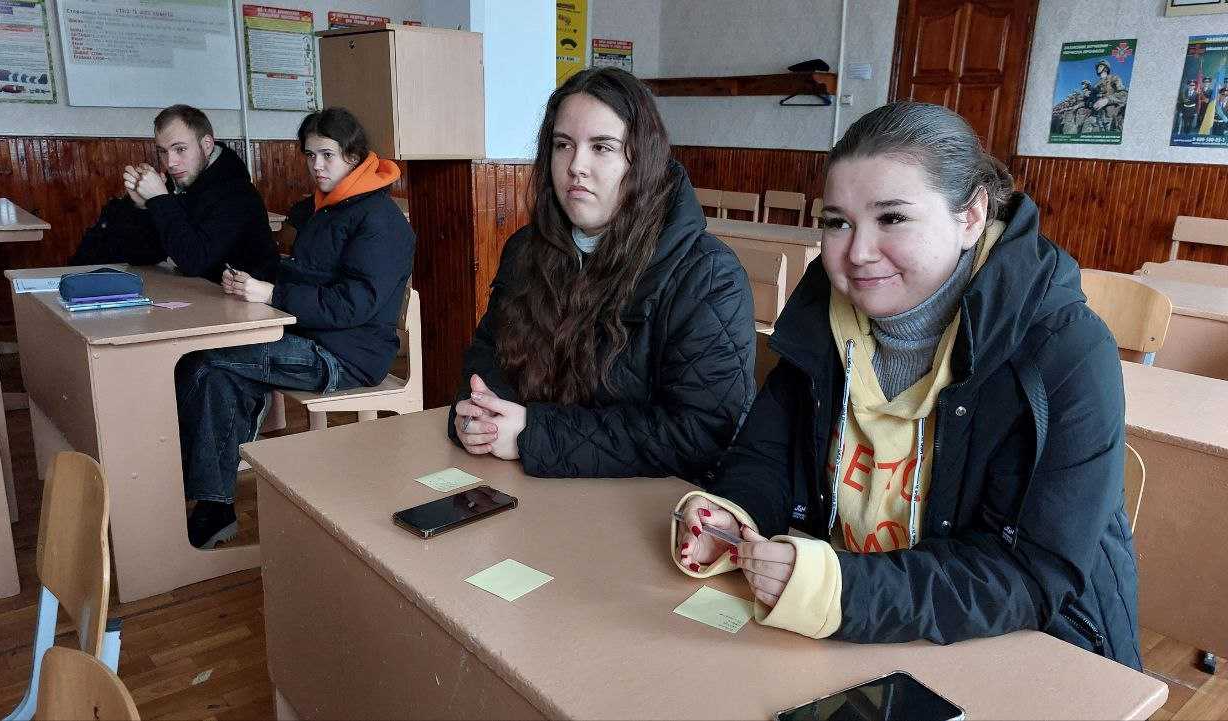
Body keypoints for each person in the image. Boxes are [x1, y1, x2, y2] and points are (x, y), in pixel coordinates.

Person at [672, 101, 1140, 670]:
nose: (857, 252)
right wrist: (735, 515)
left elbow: (1028, 576)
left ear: (971, 217)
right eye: (837, 222)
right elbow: (767, 453)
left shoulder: (1065, 348)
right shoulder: (823, 307)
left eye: (892, 218)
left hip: (1028, 653)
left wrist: (842, 590)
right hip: (852, 638)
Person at [448, 67, 756, 482]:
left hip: (650, 501)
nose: (576, 165)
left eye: (602, 147)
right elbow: (488, 355)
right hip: (527, 482)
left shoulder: (707, 274)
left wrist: (533, 435)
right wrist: (479, 412)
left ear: (642, 160)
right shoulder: (525, 250)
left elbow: (698, 433)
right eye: (563, 145)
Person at [178, 107, 413, 548]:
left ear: (354, 156)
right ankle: (214, 504)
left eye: (327, 155)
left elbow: (353, 304)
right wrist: (251, 281)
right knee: (214, 369)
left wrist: (272, 294)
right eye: (309, 155)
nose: (316, 166)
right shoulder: (322, 208)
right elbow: (306, 275)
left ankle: (202, 491)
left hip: (347, 356)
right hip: (307, 336)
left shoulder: (379, 220)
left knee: (205, 359)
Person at [70, 104, 278, 282]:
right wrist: (142, 207)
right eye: (163, 151)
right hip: (196, 296)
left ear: (206, 145)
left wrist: (161, 200)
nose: (170, 163)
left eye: (180, 149)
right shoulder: (178, 183)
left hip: (248, 307)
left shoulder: (237, 193)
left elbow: (195, 262)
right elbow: (140, 256)